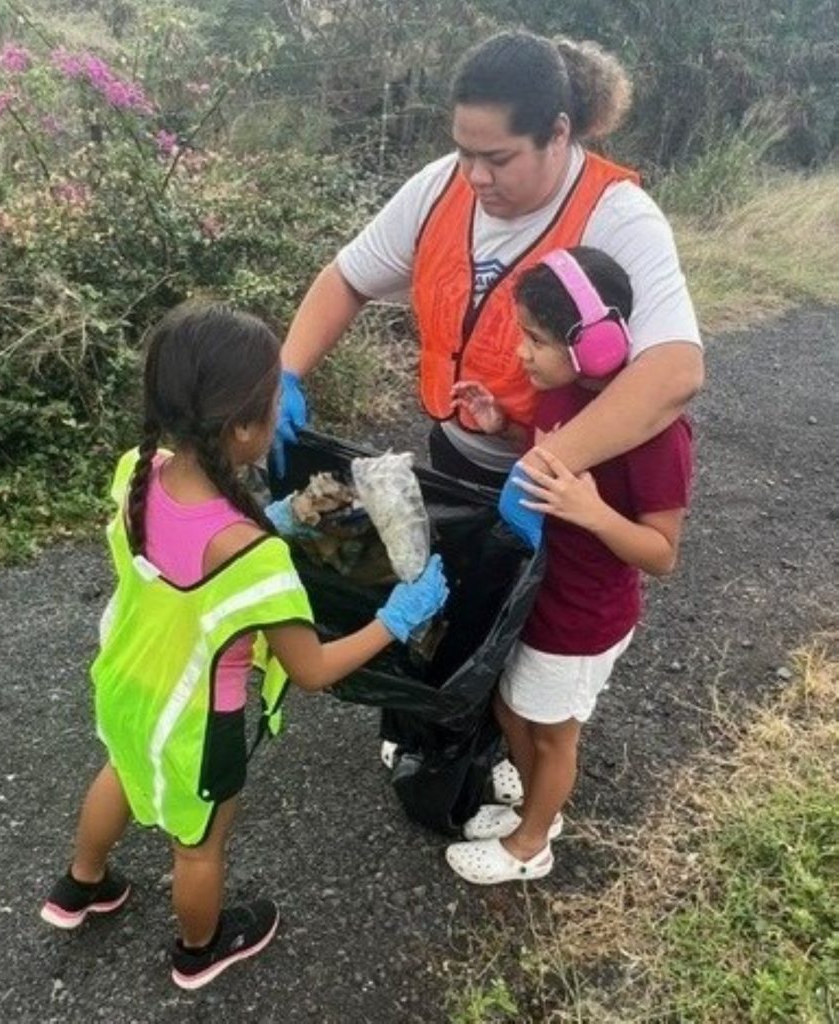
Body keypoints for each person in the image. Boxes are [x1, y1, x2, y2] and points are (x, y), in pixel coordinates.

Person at [275, 29, 702, 798]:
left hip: (553, 487)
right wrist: (286, 373)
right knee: (451, 606)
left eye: (498, 158)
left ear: (558, 134)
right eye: (463, 151)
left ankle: (517, 754)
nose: (475, 176)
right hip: (461, 453)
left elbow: (674, 372)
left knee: (527, 631)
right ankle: (449, 730)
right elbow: (347, 278)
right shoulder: (441, 188)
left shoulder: (617, 215)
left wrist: (542, 463)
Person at [39, 302, 449, 988]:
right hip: (196, 724)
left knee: (121, 770)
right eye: (274, 399)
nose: (282, 407)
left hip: (126, 682)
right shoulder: (254, 559)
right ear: (241, 427)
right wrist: (396, 619)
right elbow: (311, 669)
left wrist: (272, 516)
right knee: (198, 846)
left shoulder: (139, 470)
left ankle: (81, 884)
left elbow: (185, 545)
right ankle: (199, 950)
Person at [443, 246, 694, 884]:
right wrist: (503, 426)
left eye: (535, 339)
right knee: (510, 709)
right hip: (541, 596)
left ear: (595, 345)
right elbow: (549, 456)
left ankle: (533, 841)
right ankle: (535, 800)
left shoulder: (659, 435)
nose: (521, 353)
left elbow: (662, 554)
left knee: (554, 734)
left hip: (585, 617)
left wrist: (593, 513)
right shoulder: (559, 393)